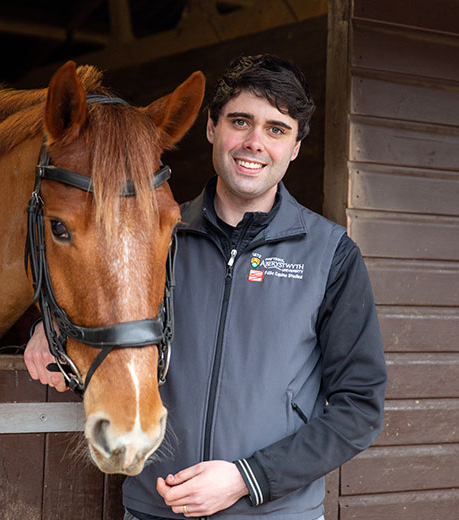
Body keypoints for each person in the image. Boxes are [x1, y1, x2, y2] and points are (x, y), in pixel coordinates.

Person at [25, 54, 387, 520]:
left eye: (277, 129)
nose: (255, 143)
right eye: (241, 121)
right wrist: (48, 326)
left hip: (275, 514)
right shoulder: (158, 236)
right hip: (156, 508)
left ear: (295, 147)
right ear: (212, 128)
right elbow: (97, 290)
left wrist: (247, 477)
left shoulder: (330, 254)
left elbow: (360, 407)